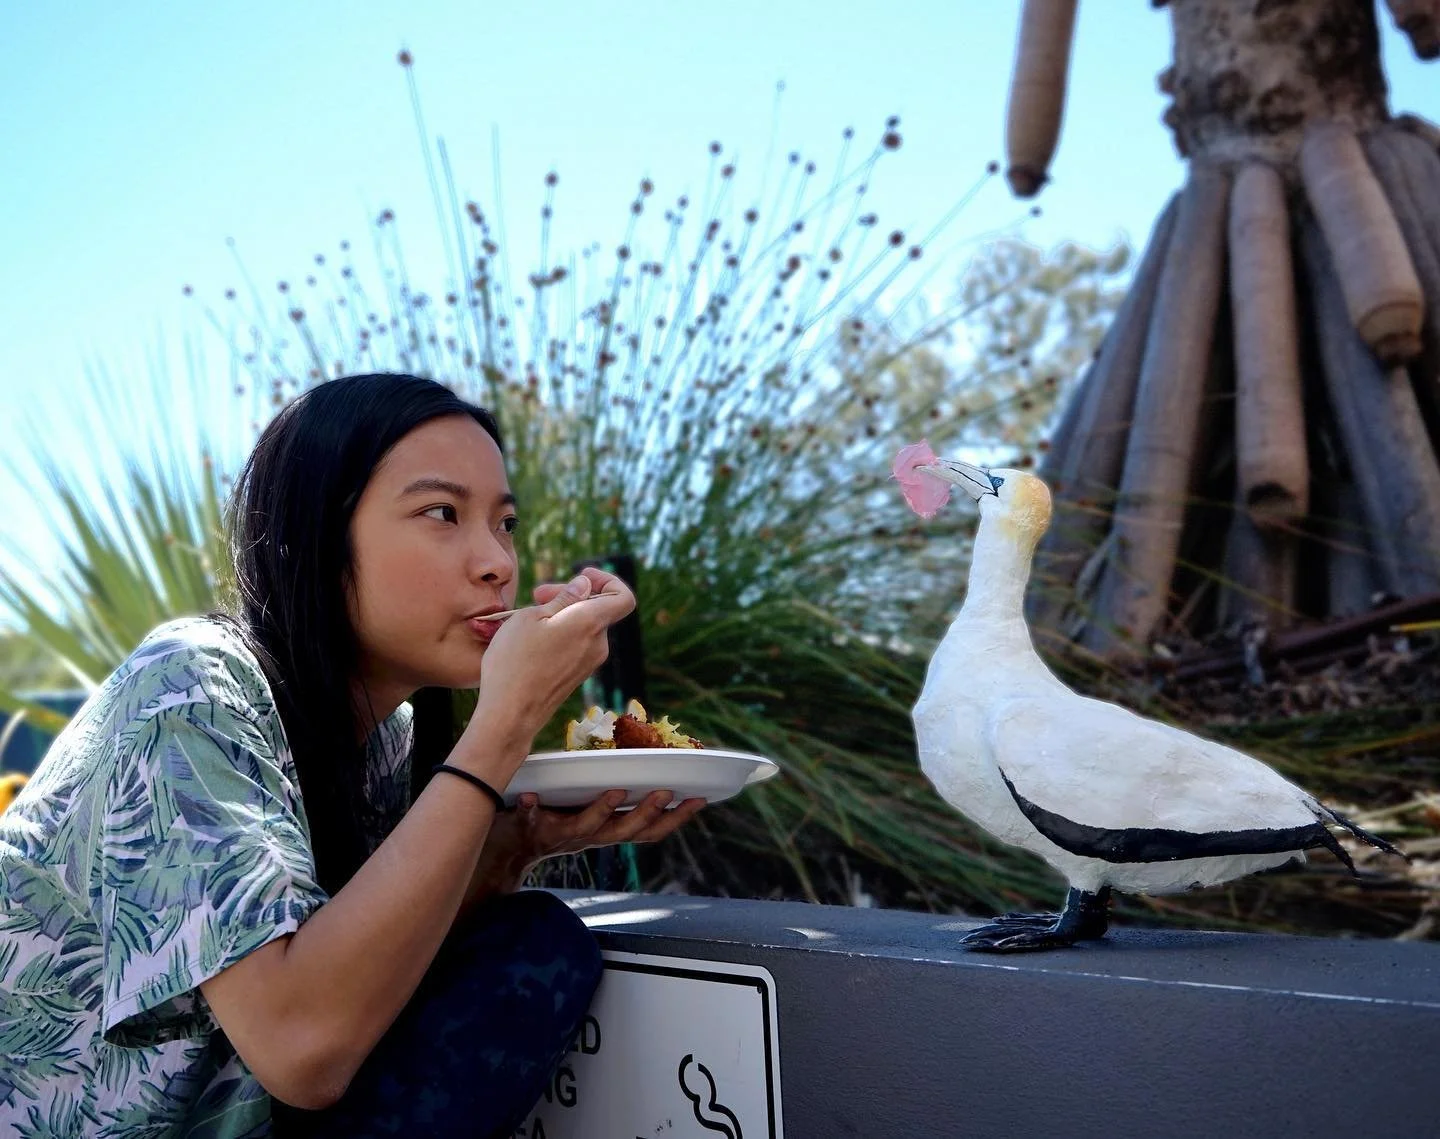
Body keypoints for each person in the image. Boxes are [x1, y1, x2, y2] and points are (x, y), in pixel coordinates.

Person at [0, 372, 705, 1137]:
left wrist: (514, 844)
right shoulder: (190, 688)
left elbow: (359, 971)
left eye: (503, 522)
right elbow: (301, 1047)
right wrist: (503, 726)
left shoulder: (384, 738)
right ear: (316, 536)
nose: (497, 562)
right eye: (443, 513)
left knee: (532, 943)